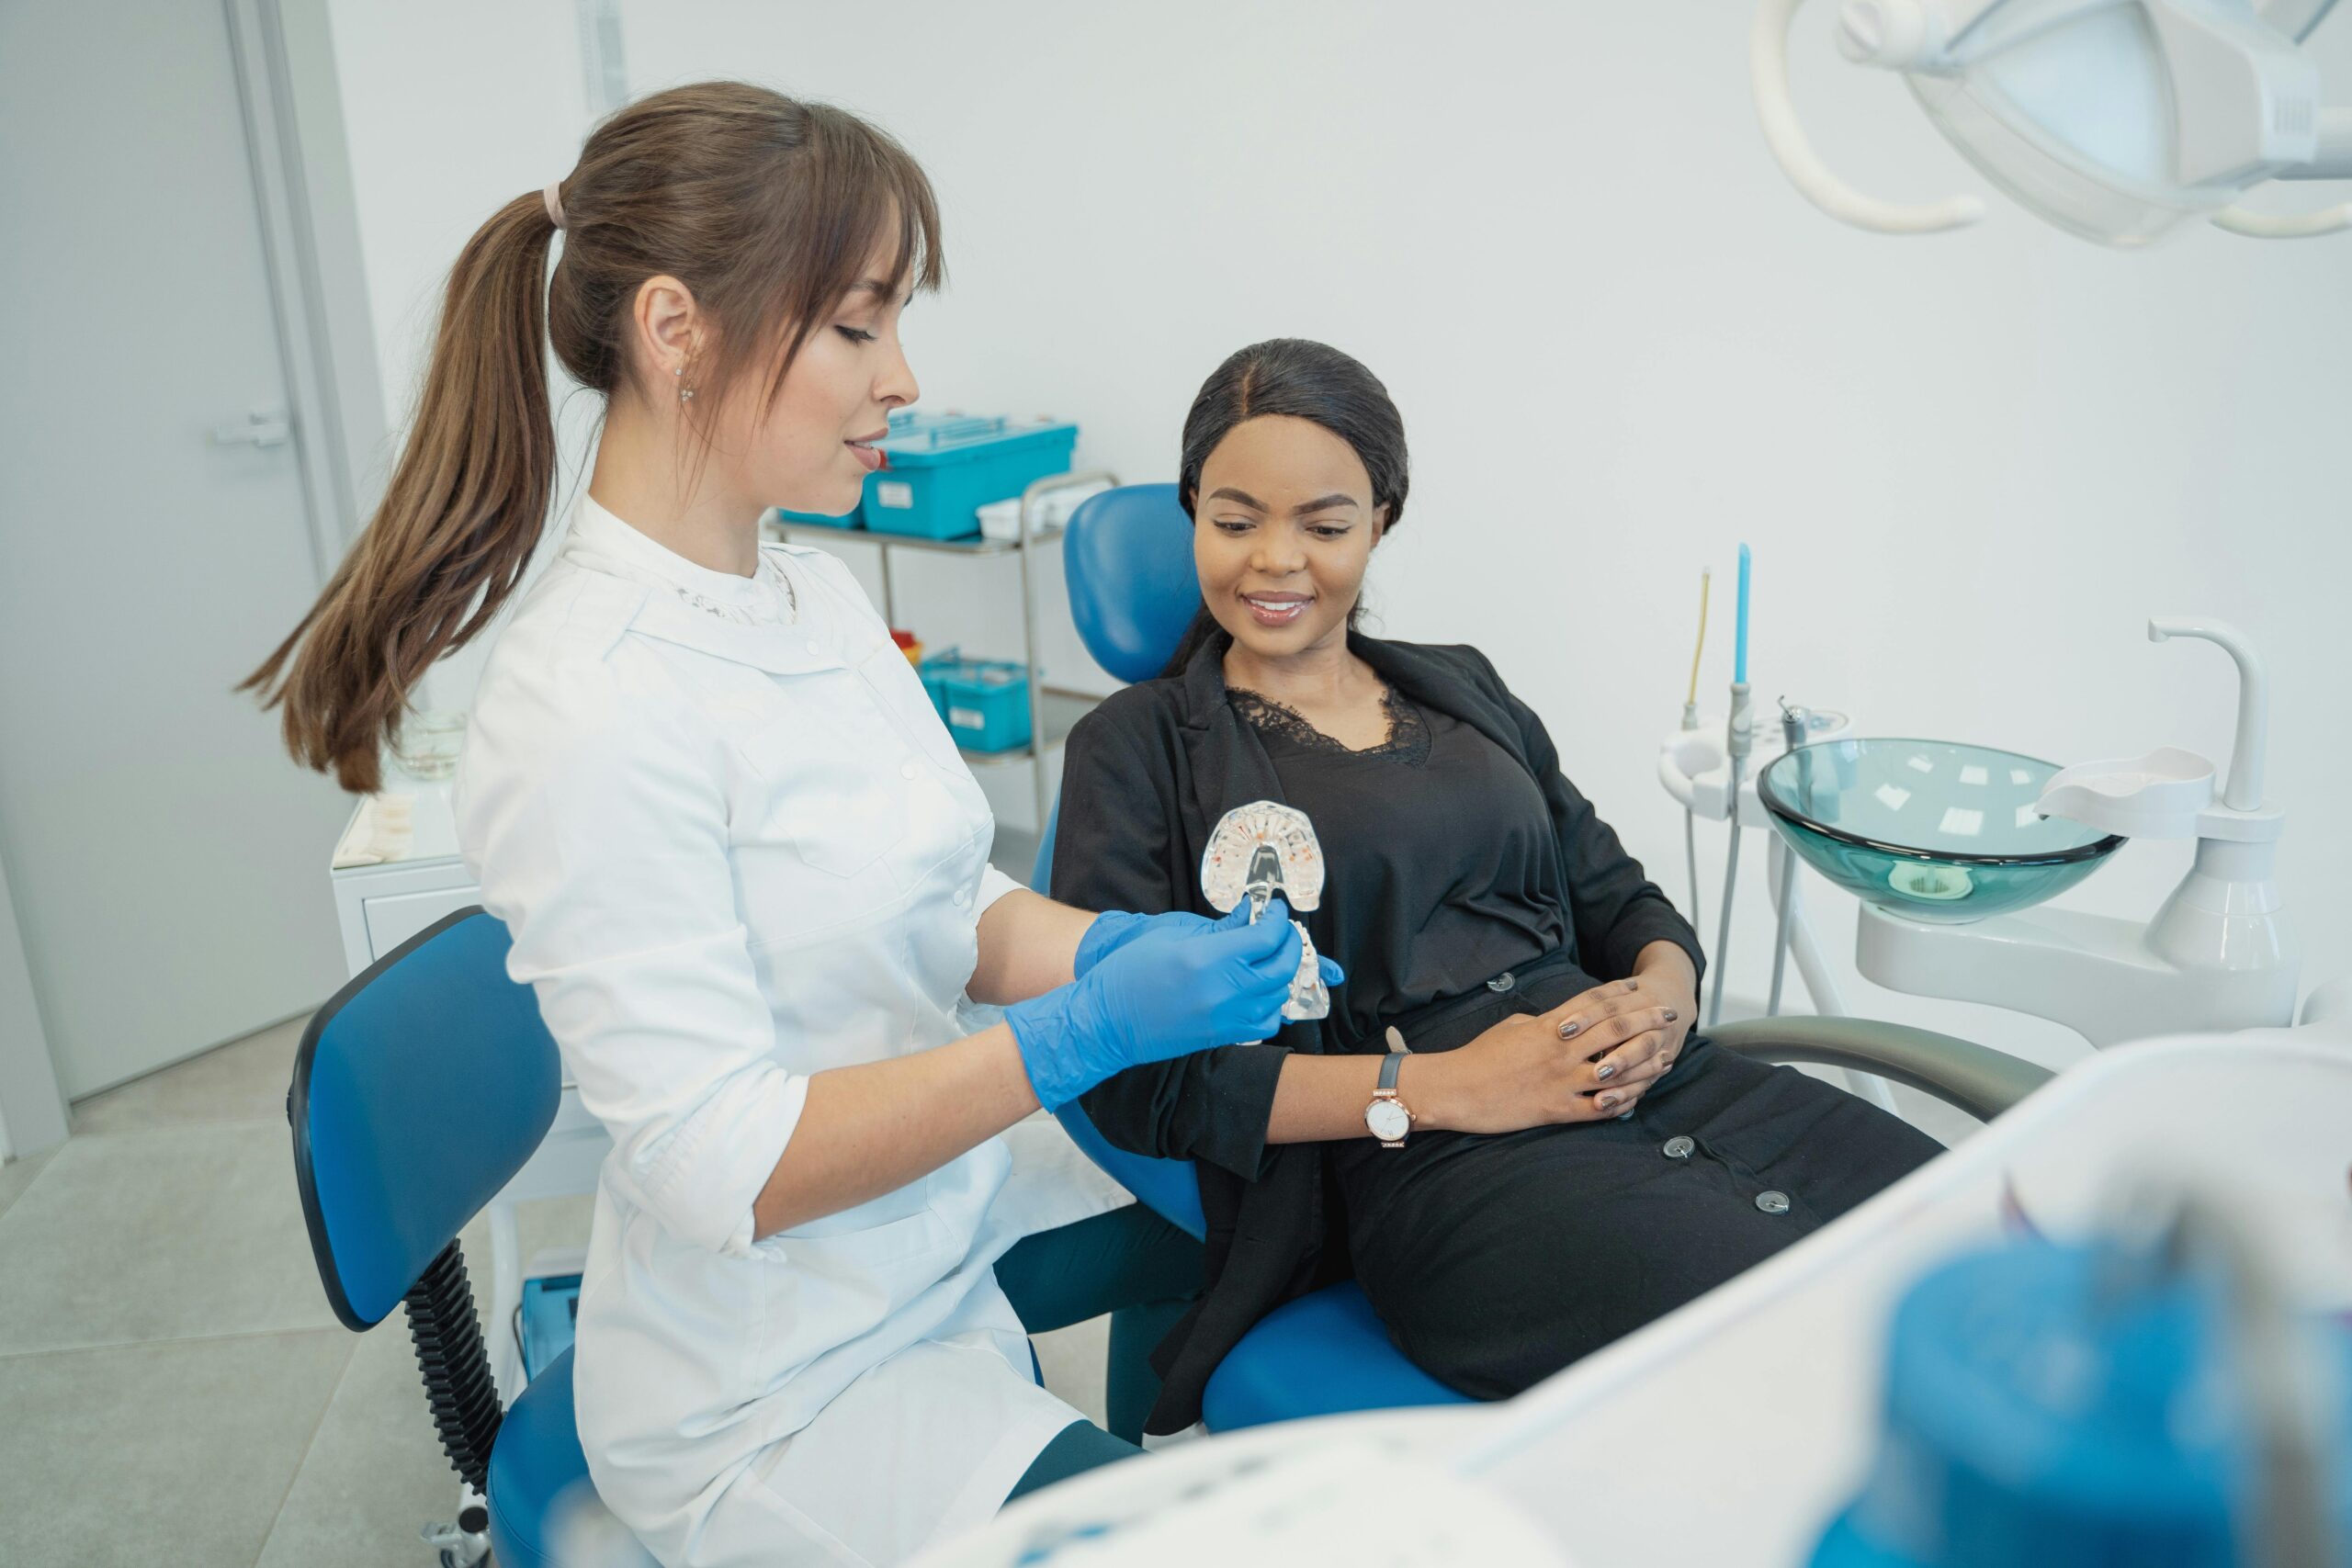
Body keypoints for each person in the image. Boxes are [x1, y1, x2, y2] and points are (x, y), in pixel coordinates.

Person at [245, 85, 1327, 1567]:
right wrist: (1075, 1033)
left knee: (1283, 1193)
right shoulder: (588, 702)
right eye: (858, 326)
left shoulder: (805, 591)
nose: (903, 378)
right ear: (677, 330)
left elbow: (948, 896)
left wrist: (1111, 950)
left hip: (921, 1242)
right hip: (774, 1382)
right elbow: (724, 1165)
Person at [1050, 337, 1946, 1435]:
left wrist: (1662, 1004)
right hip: (1444, 1166)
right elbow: (1137, 1080)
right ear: (1193, 511)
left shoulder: (1462, 685)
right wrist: (1445, 1086)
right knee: (1813, 1356)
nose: (1275, 561)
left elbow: (1618, 896)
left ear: (1381, 521)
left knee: (1981, 1243)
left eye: (1324, 527)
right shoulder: (1138, 749)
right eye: (1236, 522)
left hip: (1672, 1082)